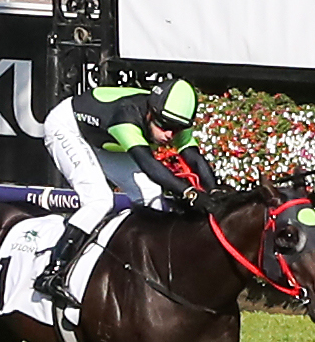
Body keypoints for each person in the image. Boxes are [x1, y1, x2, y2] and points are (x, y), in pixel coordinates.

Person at [34, 70, 207, 315]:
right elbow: (149, 165)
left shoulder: (172, 118)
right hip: (69, 128)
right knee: (99, 200)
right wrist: (189, 192)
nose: (170, 135)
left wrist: (215, 192)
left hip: (101, 136)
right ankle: (53, 272)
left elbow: (195, 159)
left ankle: (151, 272)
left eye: (178, 129)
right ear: (150, 113)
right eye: (165, 126)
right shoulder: (127, 118)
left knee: (151, 194)